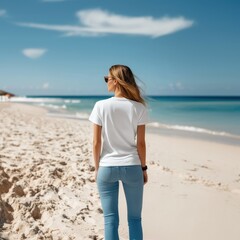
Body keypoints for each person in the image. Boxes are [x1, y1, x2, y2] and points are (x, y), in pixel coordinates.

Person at [89, 64, 148, 240]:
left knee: (110, 220)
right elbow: (142, 144)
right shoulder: (139, 108)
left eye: (107, 78)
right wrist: (143, 168)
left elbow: (96, 142)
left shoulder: (100, 106)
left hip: (107, 167)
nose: (106, 82)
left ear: (116, 81)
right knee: (135, 219)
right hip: (132, 167)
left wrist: (97, 168)